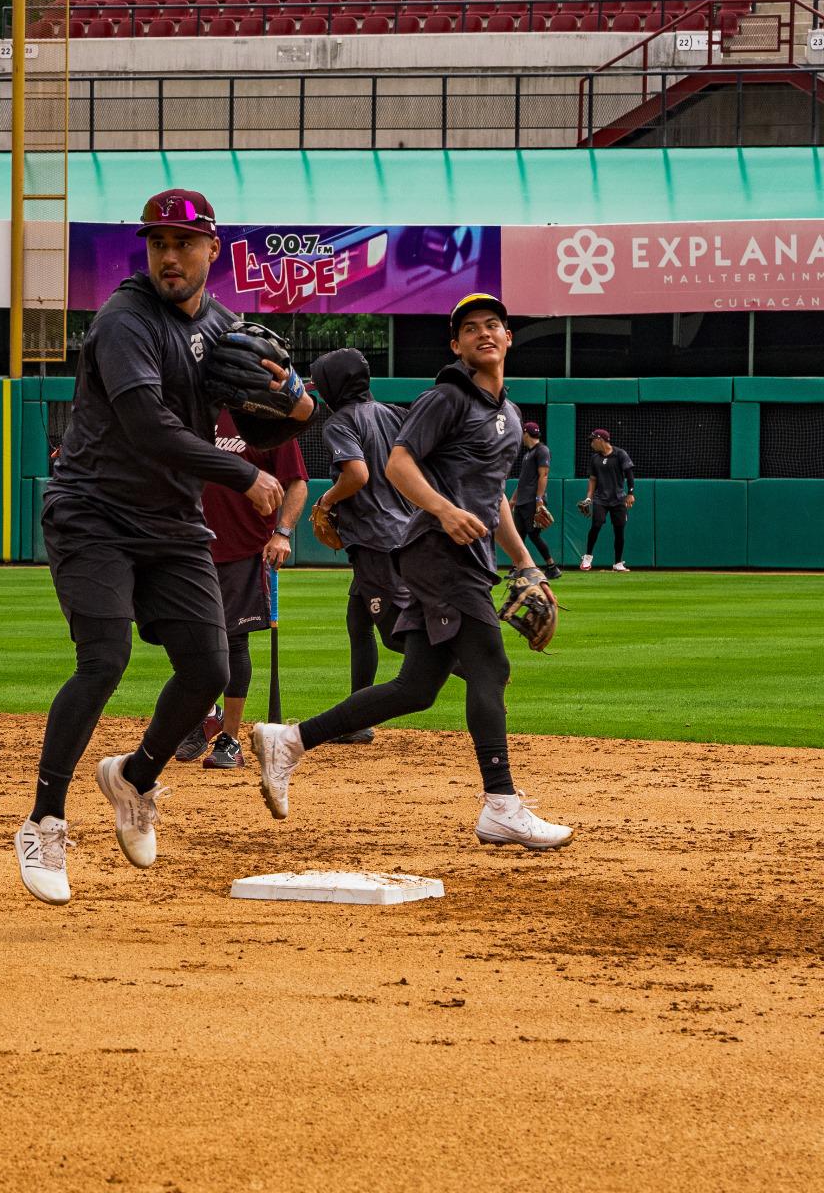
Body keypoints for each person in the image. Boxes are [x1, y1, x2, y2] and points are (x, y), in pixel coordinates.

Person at [14, 188, 318, 905]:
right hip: (93, 510)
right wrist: (244, 474)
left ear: (214, 249)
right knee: (104, 659)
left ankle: (136, 778)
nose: (170, 255)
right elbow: (150, 428)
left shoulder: (221, 324)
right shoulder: (124, 321)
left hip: (172, 520)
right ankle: (44, 821)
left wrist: (302, 410)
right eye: (158, 243)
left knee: (209, 667)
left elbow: (255, 420)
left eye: (184, 242)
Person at [250, 293, 574, 852]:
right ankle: (501, 805)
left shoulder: (508, 414)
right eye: (470, 328)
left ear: (509, 337)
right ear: (456, 345)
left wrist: (525, 562)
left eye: (493, 325)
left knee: (417, 686)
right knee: (490, 667)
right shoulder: (446, 398)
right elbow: (397, 463)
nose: (484, 334)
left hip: (461, 557)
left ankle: (290, 741)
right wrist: (443, 510)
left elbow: (493, 495)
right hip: (435, 554)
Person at [174, 408, 308, 769]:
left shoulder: (266, 418)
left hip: (244, 549)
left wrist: (282, 533)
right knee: (187, 639)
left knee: (234, 641)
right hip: (191, 545)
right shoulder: (195, 409)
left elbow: (297, 482)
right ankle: (208, 710)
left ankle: (230, 739)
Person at [309, 348, 415, 746]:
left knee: (393, 634)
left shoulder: (340, 422)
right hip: (403, 533)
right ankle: (356, 718)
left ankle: (477, 668)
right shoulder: (392, 413)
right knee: (359, 623)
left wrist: (327, 501)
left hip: (375, 539)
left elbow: (356, 474)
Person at [580, 428, 635, 573]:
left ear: (600, 440)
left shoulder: (620, 454)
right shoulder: (594, 458)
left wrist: (630, 494)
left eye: (593, 440)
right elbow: (592, 480)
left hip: (618, 499)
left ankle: (617, 563)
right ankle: (587, 558)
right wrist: (588, 498)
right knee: (596, 525)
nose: (591, 443)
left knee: (619, 530)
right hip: (600, 499)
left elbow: (629, 475)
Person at [511, 421, 561, 580]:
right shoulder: (528, 454)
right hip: (522, 501)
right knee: (518, 535)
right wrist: (513, 499)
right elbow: (523, 480)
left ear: (526, 433)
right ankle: (517, 568)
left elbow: (544, 475)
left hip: (532, 501)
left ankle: (552, 567)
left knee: (533, 535)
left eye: (522, 434)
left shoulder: (542, 450)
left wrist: (539, 499)